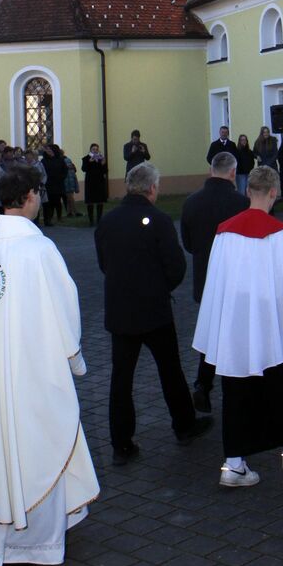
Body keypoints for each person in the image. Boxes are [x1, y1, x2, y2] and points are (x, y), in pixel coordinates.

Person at [0, 165, 99, 566]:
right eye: (38, 193)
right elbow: (64, 307)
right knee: (32, 447)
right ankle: (20, 548)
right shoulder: (39, 249)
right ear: (29, 196)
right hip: (30, 373)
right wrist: (74, 359)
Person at [192, 166, 283, 487]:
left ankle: (234, 463)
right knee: (282, 386)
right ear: (274, 193)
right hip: (270, 322)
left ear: (248, 191)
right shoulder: (280, 234)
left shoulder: (224, 232)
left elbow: (216, 278)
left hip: (235, 321)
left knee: (235, 389)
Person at [95, 163, 212, 465]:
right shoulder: (159, 220)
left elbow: (104, 263)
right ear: (151, 188)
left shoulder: (108, 221)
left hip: (121, 311)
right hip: (154, 310)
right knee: (170, 370)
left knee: (121, 378)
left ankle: (121, 443)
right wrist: (158, 287)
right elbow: (176, 266)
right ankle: (184, 425)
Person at [180, 152, 249, 413]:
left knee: (211, 332)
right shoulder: (242, 203)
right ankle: (237, 386)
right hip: (237, 279)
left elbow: (188, 244)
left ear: (211, 171)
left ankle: (203, 384)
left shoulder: (191, 202)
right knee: (238, 332)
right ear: (232, 172)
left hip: (206, 279)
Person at [81, 143, 109, 225]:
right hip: (90, 182)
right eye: (93, 149)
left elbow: (105, 171)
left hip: (99, 182)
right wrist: (89, 162)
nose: (95, 151)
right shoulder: (86, 158)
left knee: (99, 201)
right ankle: (91, 221)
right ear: (90, 150)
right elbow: (84, 169)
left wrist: (103, 164)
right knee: (90, 201)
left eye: (96, 149)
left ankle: (99, 220)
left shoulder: (101, 158)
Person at [41, 143, 67, 226]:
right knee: (48, 202)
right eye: (47, 150)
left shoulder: (60, 159)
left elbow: (65, 170)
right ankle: (48, 218)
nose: (48, 151)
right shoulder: (44, 161)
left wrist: (61, 177)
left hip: (58, 183)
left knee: (57, 201)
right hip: (48, 184)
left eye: (50, 149)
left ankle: (59, 216)